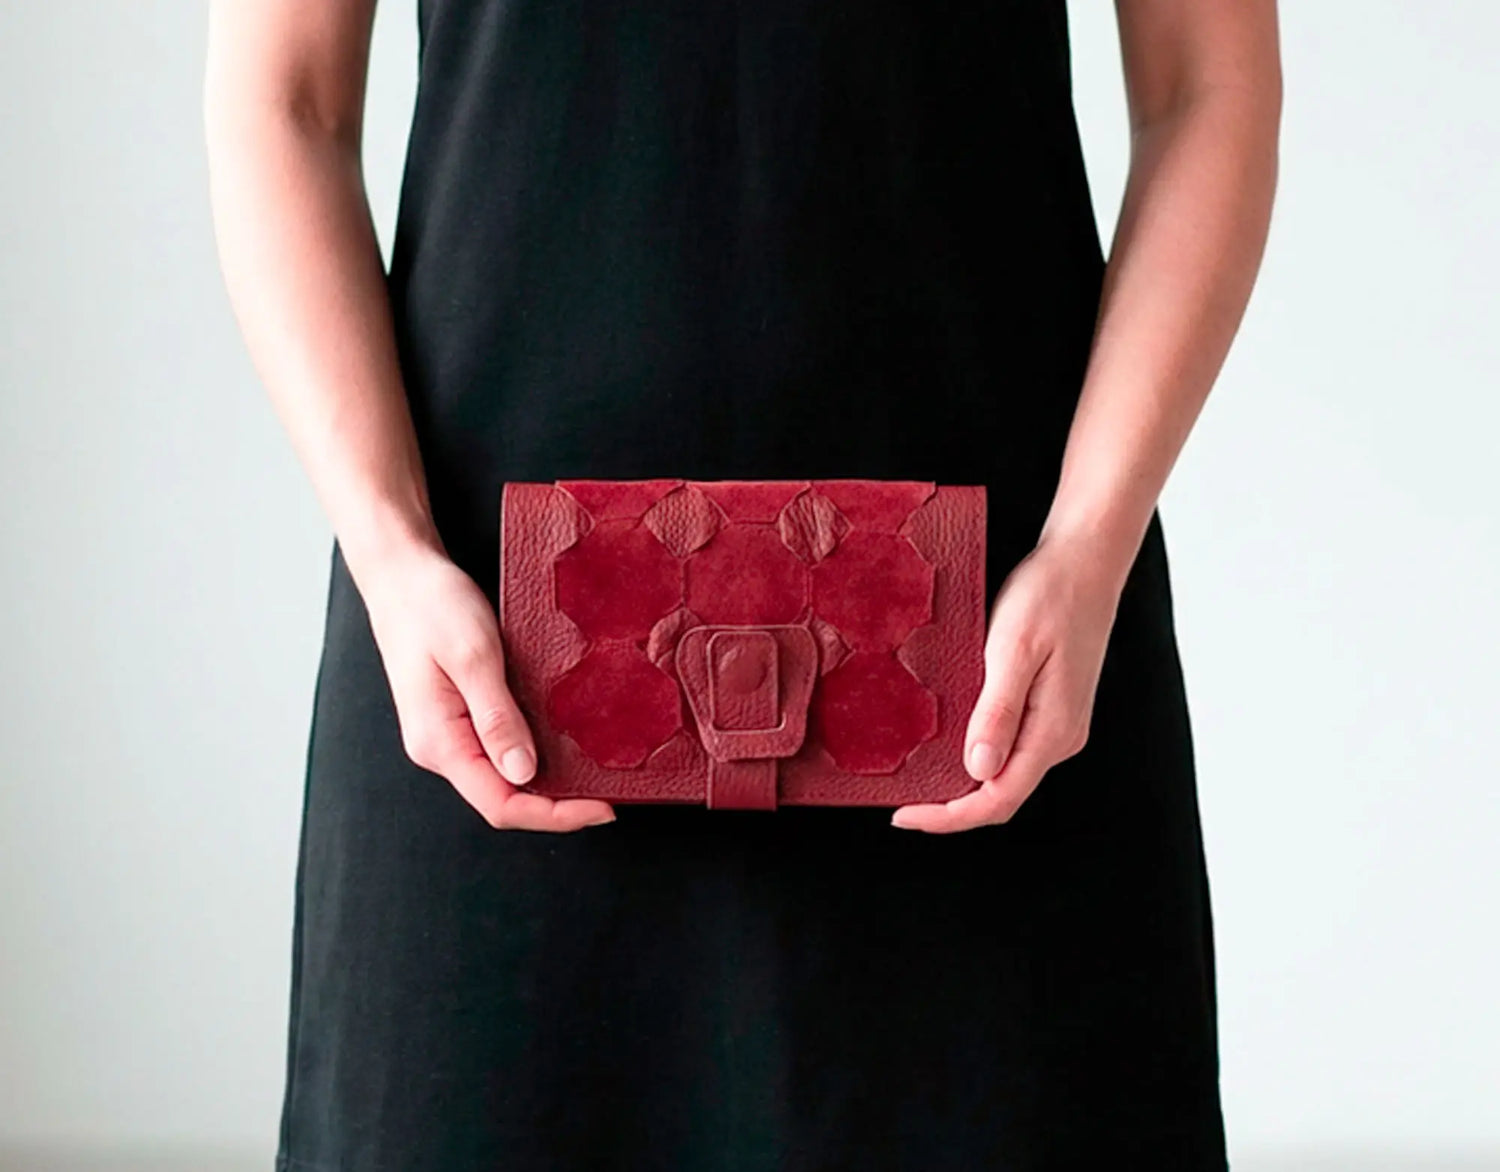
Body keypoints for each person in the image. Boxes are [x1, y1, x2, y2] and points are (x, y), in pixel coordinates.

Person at [204, 0, 1281, 1167]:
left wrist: (1090, 539)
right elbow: (284, 101)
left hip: (999, 670)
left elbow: (1205, 88)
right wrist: (386, 545)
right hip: (477, 664)